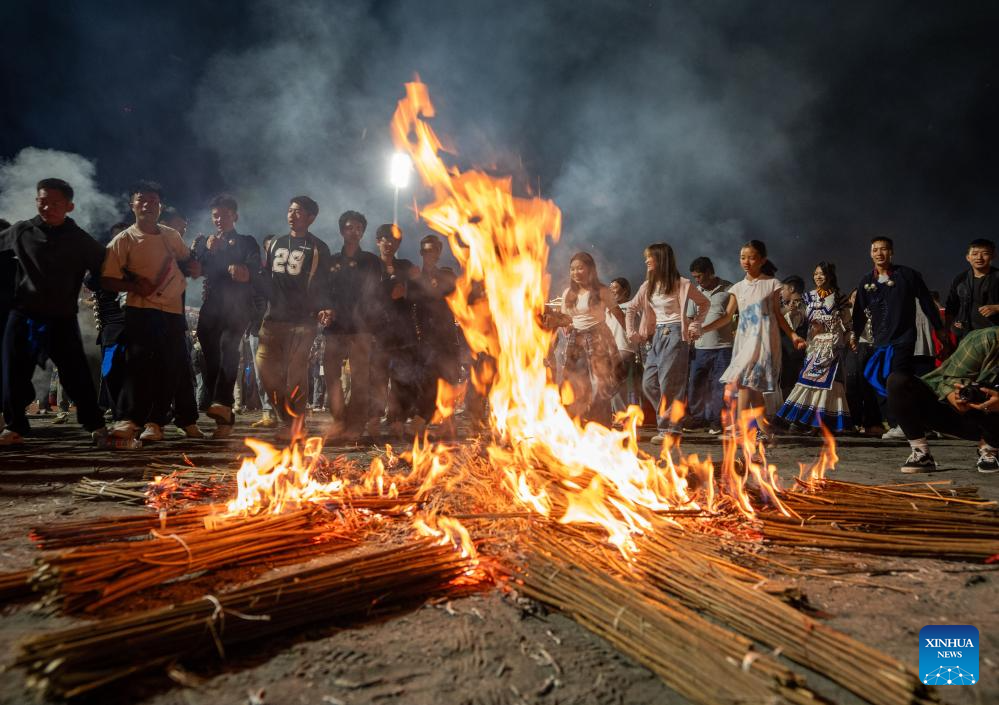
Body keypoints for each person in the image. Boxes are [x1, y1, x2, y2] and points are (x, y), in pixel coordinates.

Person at [0, 179, 109, 446]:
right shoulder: (22, 231)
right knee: (12, 372)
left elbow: (104, 268)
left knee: (76, 374)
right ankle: (15, 426)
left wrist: (98, 283)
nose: (47, 207)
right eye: (42, 201)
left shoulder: (81, 240)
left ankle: (95, 424)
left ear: (69, 206)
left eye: (55, 203)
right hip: (23, 315)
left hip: (61, 318)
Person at [101, 181, 202, 443]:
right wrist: (133, 286)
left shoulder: (171, 236)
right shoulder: (123, 240)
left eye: (153, 201)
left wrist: (193, 267)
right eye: (142, 200)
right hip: (140, 310)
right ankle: (130, 420)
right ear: (132, 205)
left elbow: (186, 260)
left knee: (171, 366)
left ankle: (156, 422)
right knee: (138, 367)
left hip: (171, 312)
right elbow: (107, 280)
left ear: (160, 206)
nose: (148, 205)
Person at [701, 240, 806, 440]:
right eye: (742, 257)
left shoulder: (772, 284)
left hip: (764, 338)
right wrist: (703, 329)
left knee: (747, 384)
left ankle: (744, 429)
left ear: (762, 260)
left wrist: (793, 335)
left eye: (751, 257)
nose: (746, 262)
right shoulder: (738, 288)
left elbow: (777, 313)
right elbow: (726, 317)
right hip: (744, 339)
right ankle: (764, 431)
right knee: (748, 385)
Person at [255, 196, 331, 438]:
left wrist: (323, 307)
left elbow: (324, 284)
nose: (292, 214)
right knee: (265, 370)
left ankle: (297, 424)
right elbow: (266, 277)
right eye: (290, 210)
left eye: (298, 211)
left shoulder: (319, 247)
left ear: (311, 218)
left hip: (302, 321)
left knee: (296, 373)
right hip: (273, 318)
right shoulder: (275, 242)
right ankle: (285, 418)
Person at [191, 195, 261, 438]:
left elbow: (251, 272)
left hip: (237, 307)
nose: (219, 219)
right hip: (211, 306)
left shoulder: (246, 242)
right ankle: (225, 415)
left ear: (235, 216)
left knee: (228, 348)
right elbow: (195, 270)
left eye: (224, 214)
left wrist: (235, 264)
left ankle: (222, 402)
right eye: (215, 215)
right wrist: (202, 253)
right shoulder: (205, 243)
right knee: (208, 358)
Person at [625, 243, 710, 443]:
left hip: (675, 334)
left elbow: (704, 303)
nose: (646, 261)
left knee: (669, 384)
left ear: (661, 259)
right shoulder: (648, 286)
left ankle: (668, 430)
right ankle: (673, 419)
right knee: (648, 383)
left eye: (650, 257)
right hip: (657, 336)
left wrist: (695, 324)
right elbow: (631, 308)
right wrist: (631, 331)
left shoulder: (682, 284)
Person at [887, 327, 999, 473]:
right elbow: (951, 379)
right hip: (961, 413)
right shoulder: (985, 339)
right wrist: (955, 396)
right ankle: (921, 452)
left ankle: (991, 448)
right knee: (898, 381)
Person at [850, 236, 950, 398]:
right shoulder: (866, 281)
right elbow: (859, 312)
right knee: (879, 379)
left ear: (891, 252)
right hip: (880, 340)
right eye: (875, 250)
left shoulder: (908, 275)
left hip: (903, 339)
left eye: (883, 249)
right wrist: (854, 333)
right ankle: (894, 419)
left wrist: (938, 327)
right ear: (870, 253)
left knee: (897, 379)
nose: (879, 253)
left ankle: (904, 420)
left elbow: (926, 302)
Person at [321, 210, 382, 439]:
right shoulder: (332, 261)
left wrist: (371, 324)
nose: (353, 231)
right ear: (341, 230)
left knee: (360, 378)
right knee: (331, 375)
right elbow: (323, 290)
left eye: (358, 227)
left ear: (363, 232)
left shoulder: (371, 261)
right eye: (349, 227)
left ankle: (356, 424)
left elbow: (375, 294)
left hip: (361, 328)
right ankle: (338, 419)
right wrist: (325, 308)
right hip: (335, 328)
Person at [546, 252, 625, 426]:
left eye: (580, 268)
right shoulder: (568, 293)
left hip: (598, 338)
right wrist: (551, 330)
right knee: (575, 382)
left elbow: (618, 313)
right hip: (575, 340)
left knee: (599, 383)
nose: (576, 272)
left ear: (590, 269)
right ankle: (577, 423)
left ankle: (601, 425)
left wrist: (633, 333)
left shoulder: (602, 291)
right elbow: (565, 320)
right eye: (572, 269)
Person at [776, 262, 853, 433]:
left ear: (830, 276)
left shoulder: (840, 297)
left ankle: (820, 423)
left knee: (828, 385)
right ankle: (802, 419)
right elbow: (798, 318)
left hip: (832, 347)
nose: (818, 277)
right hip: (814, 346)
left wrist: (849, 339)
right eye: (816, 273)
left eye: (822, 274)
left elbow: (848, 324)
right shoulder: (808, 297)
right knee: (808, 381)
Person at [368, 224, 421, 441]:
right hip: (377, 331)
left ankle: (397, 419)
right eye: (385, 239)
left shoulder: (406, 266)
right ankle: (373, 418)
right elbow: (367, 295)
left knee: (401, 379)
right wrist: (388, 291)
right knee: (377, 378)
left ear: (399, 244)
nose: (389, 243)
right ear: (378, 241)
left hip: (403, 332)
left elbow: (417, 293)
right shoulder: (370, 266)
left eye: (394, 240)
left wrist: (406, 291)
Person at [411, 234, 462, 437]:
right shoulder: (416, 277)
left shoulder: (448, 275)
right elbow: (412, 306)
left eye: (432, 250)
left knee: (449, 379)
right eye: (425, 250)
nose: (428, 254)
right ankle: (423, 418)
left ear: (439, 252)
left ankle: (447, 422)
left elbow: (458, 298)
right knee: (428, 380)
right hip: (426, 338)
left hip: (447, 336)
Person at [158, 207, 202, 439]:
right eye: (177, 227)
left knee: (183, 370)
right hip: (149, 315)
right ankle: (153, 421)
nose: (181, 232)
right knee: (153, 371)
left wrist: (196, 256)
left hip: (175, 318)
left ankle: (187, 420)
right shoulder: (146, 245)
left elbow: (195, 269)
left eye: (183, 229)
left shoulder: (181, 251)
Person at [684, 258, 733, 434]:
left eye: (700, 276)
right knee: (696, 383)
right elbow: (690, 318)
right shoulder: (695, 292)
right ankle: (698, 418)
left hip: (723, 346)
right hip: (700, 347)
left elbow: (733, 315)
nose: (698, 280)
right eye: (695, 277)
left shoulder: (728, 289)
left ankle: (715, 420)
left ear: (710, 272)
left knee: (718, 385)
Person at [945, 238, 999, 340]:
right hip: (966, 335)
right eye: (975, 254)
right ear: (968, 257)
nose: (979, 257)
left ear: (993, 256)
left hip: (994, 335)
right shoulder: (960, 279)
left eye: (985, 253)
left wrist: (996, 308)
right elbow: (951, 306)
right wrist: (950, 326)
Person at [249, 235, 276, 428]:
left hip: (284, 329)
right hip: (257, 330)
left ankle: (286, 412)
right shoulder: (256, 274)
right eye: (269, 248)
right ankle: (268, 411)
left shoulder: (291, 275)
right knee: (261, 373)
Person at [606, 277, 641, 415]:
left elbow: (631, 328)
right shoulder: (608, 307)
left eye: (614, 288)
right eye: (609, 288)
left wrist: (614, 308)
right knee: (612, 383)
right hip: (610, 350)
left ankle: (623, 415)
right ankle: (617, 414)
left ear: (625, 290)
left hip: (624, 349)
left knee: (620, 384)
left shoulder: (632, 306)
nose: (611, 291)